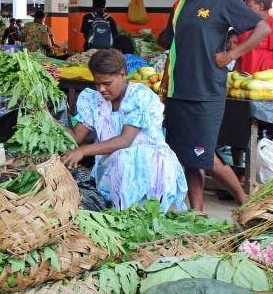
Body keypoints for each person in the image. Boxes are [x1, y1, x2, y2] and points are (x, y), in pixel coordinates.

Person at [157, 0, 271, 210]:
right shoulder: (180, 5)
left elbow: (262, 28)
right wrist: (164, 85)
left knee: (204, 154)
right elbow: (173, 48)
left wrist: (232, 55)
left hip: (206, 92)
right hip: (178, 91)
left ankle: (245, 201)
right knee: (187, 155)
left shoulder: (224, 0)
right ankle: (196, 212)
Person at [61, 50, 188, 211]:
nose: (101, 89)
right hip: (113, 170)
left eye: (107, 83)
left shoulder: (139, 96)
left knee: (124, 161)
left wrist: (83, 151)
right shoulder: (94, 101)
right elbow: (75, 137)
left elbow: (125, 140)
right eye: (97, 83)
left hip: (147, 167)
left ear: (122, 75)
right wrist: (47, 118)